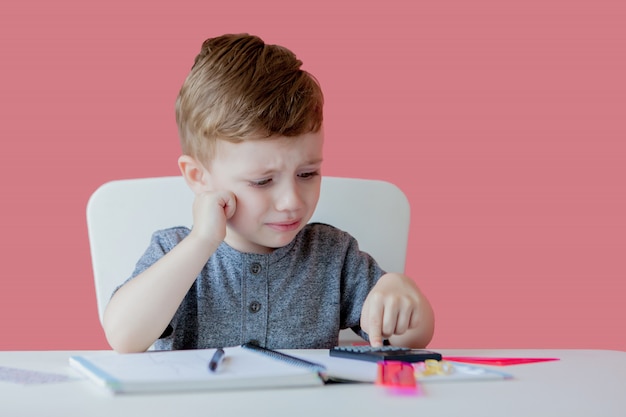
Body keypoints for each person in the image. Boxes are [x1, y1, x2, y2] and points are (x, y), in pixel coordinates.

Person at [103, 33, 435, 353]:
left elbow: (410, 340)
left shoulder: (333, 256)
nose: (292, 201)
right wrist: (202, 242)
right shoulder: (174, 251)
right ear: (198, 176)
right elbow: (124, 337)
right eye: (262, 181)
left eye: (307, 174)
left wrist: (403, 295)